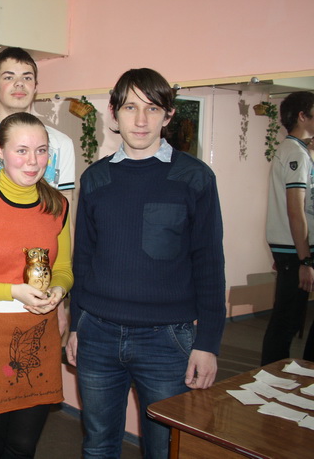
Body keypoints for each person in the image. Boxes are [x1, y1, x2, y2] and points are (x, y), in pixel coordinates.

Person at [66, 68, 226, 459]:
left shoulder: (195, 177)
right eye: (130, 108)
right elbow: (83, 258)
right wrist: (76, 326)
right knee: (98, 444)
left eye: (152, 108)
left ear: (168, 115)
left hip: (167, 341)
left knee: (164, 449)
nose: (140, 120)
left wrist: (208, 343)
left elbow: (209, 263)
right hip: (97, 335)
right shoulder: (97, 178)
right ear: (113, 112)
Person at [0, 112, 73, 458]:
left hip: (38, 337)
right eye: (21, 150)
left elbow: (63, 268)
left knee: (22, 447)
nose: (33, 161)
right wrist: (12, 291)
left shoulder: (57, 204)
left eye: (41, 151)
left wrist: (58, 291)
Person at [0, 47, 75, 203]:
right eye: (9, 77)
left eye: (27, 78)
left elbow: (65, 204)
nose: (19, 84)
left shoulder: (61, 143)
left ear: (35, 86)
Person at [262, 91, 314, 365]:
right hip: (295, 250)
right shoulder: (295, 153)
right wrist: (305, 260)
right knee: (286, 321)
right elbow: (296, 210)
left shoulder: (298, 151)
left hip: (293, 249)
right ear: (303, 116)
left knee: (288, 319)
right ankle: (270, 376)